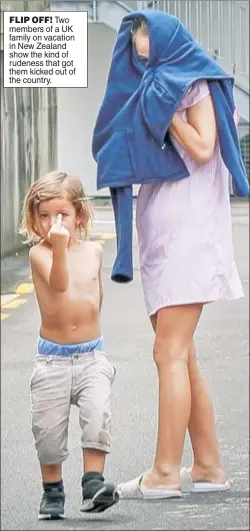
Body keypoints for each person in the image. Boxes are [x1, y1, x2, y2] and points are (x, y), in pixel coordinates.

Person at [92, 11, 248, 500]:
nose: (138, 47)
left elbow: (204, 148)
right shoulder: (158, 81)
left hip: (190, 234)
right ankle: (207, 467)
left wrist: (170, 112)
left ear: (162, 40)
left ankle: (164, 472)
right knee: (185, 355)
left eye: (143, 38)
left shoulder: (194, 82)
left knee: (169, 352)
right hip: (164, 233)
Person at [19, 171, 119, 519]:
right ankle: (52, 491)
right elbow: (59, 286)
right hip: (53, 361)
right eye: (43, 216)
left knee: (97, 419)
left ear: (80, 214)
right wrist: (59, 247)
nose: (52, 224)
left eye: (61, 215)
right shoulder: (40, 254)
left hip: (92, 355)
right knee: (47, 430)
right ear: (33, 218)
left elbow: (96, 294)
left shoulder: (94, 250)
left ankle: (93, 483)